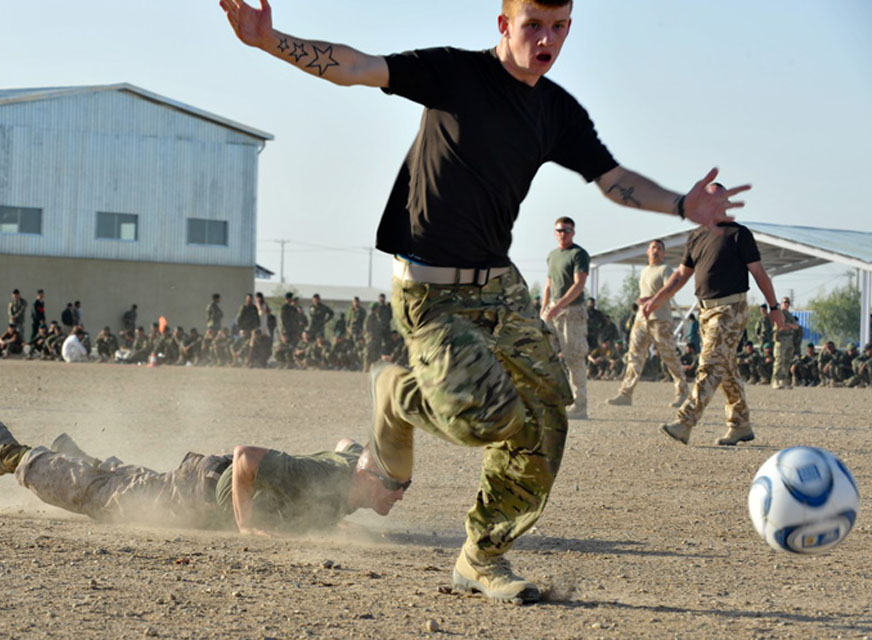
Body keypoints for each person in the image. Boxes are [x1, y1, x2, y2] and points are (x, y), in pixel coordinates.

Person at [219, 0, 748, 602]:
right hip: (430, 292)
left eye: (558, 27)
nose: (545, 39)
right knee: (489, 418)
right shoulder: (454, 74)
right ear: (504, 25)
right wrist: (270, 41)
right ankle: (399, 393)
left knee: (548, 417)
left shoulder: (555, 110)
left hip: (499, 286)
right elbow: (356, 66)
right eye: (533, 26)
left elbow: (612, 179)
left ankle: (481, 556)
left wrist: (684, 205)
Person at [0, 424, 405, 535]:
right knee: (101, 499)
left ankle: (77, 457)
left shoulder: (348, 472)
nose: (399, 495)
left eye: (405, 486)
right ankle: (6, 453)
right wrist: (246, 522)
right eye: (393, 485)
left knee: (127, 486)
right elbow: (246, 457)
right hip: (197, 495)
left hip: (198, 481)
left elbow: (348, 441)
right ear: (367, 476)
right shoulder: (319, 475)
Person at [643, 184, 781, 447]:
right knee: (726, 369)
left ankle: (685, 422)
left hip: (730, 310)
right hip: (705, 311)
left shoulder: (739, 234)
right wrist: (656, 299)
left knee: (709, 366)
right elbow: (681, 275)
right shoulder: (696, 236)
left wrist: (774, 308)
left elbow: (759, 273)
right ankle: (740, 425)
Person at [607, 239, 689, 408]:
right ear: (647, 251)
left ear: (663, 253)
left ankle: (683, 392)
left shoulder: (665, 269)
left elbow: (670, 290)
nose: (655, 251)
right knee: (634, 356)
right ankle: (625, 394)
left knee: (670, 357)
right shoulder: (644, 271)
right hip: (641, 319)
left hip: (660, 319)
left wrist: (652, 299)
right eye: (653, 248)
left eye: (659, 248)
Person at [541, 216, 590, 419]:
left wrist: (558, 306)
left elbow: (578, 285)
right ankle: (550, 402)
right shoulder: (552, 255)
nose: (563, 234)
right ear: (555, 232)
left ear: (573, 232)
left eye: (567, 231)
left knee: (574, 358)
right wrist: (544, 310)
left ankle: (579, 406)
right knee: (545, 355)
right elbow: (549, 284)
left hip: (572, 312)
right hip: (552, 311)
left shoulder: (578, 254)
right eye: (559, 231)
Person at [771, 297, 800, 389]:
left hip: (789, 340)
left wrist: (788, 325)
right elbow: (781, 327)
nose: (786, 304)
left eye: (788, 302)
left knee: (787, 361)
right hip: (781, 340)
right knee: (779, 360)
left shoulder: (790, 315)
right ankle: (775, 380)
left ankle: (783, 380)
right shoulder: (779, 314)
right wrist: (790, 326)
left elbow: (796, 326)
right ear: (781, 303)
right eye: (784, 302)